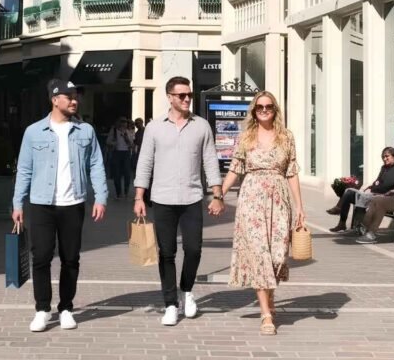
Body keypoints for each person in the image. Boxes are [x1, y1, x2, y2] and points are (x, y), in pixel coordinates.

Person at [12, 79, 108, 332]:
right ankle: (42, 309)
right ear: (55, 100)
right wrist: (17, 203)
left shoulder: (85, 131)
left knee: (70, 258)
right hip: (42, 204)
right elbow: (24, 169)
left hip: (73, 203)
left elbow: (96, 164)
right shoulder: (33, 132)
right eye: (69, 96)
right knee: (41, 257)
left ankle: (66, 307)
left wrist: (101, 197)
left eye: (76, 96)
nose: (74, 100)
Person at [133, 76, 223, 326]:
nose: (186, 99)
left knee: (193, 249)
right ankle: (170, 303)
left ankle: (187, 291)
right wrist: (139, 196)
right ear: (170, 97)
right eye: (181, 95)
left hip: (192, 197)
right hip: (162, 198)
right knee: (167, 253)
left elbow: (210, 161)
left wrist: (217, 194)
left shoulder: (201, 126)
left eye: (189, 95)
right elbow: (145, 163)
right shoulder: (153, 127)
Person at [217, 91, 304, 336]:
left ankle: (270, 295)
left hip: (279, 198)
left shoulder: (286, 137)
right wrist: (219, 194)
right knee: (259, 255)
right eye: (259, 107)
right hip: (252, 198)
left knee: (277, 256)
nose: (264, 110)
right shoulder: (246, 137)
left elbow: (292, 171)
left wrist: (300, 207)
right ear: (253, 111)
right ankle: (266, 314)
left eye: (268, 107)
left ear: (275, 110)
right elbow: (235, 168)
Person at [327, 146, 394, 233]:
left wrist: (372, 189)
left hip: (387, 198)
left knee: (358, 196)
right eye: (383, 157)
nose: (384, 159)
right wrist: (371, 187)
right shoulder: (384, 168)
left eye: (387, 156)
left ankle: (358, 226)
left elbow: (385, 186)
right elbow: (377, 182)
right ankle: (342, 223)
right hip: (377, 194)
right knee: (349, 193)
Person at [106, 117, 135, 199]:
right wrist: (113, 143)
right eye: (122, 122)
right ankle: (118, 192)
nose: (123, 124)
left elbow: (132, 143)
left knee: (127, 174)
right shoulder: (114, 131)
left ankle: (126, 191)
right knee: (117, 174)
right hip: (117, 153)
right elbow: (108, 141)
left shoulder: (128, 131)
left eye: (125, 122)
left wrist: (126, 137)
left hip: (126, 153)